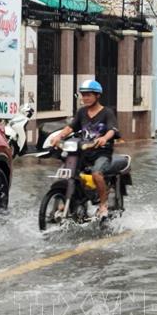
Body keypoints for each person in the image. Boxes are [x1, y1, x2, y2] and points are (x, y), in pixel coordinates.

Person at [51, 79, 118, 218]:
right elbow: (70, 127)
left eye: (88, 95)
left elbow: (112, 129)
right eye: (83, 95)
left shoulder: (107, 112)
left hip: (102, 152)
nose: (85, 98)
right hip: (83, 152)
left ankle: (103, 205)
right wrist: (58, 137)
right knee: (65, 172)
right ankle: (65, 201)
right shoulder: (81, 112)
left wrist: (104, 138)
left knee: (96, 173)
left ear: (97, 95)